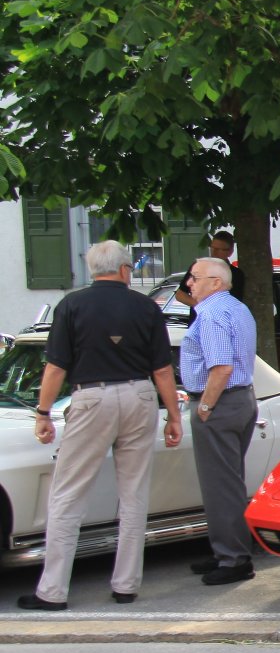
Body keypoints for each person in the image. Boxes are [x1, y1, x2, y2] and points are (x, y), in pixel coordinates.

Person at [19, 241, 183, 611]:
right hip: (139, 394)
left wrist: (43, 412)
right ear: (125, 270)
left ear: (93, 269)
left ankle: (53, 590)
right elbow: (161, 369)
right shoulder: (146, 307)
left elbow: (56, 367)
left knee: (68, 493)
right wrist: (173, 416)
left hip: (92, 396)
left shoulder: (71, 305)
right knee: (134, 493)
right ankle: (126, 585)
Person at [182, 256, 259, 586]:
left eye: (195, 277)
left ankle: (234, 558)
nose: (189, 283)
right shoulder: (237, 308)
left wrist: (205, 406)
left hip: (221, 402)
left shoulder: (212, 314)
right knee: (228, 482)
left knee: (220, 485)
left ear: (216, 282)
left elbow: (222, 367)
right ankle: (226, 550)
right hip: (240, 399)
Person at [175, 230, 247, 309]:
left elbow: (235, 303)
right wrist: (202, 306)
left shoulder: (236, 274)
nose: (214, 252)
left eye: (219, 249)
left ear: (230, 252)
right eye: (212, 248)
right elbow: (180, 295)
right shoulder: (198, 267)